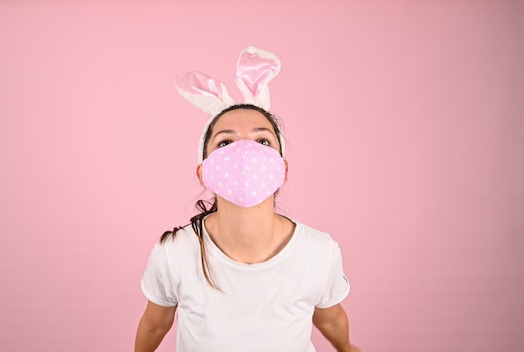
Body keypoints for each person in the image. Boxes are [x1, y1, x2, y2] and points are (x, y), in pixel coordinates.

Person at [135, 47, 360, 352]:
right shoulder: (174, 253)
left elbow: (331, 319)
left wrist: (348, 348)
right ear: (204, 172)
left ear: (282, 168)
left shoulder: (319, 252)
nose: (244, 152)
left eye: (262, 141)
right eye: (225, 142)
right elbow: (154, 323)